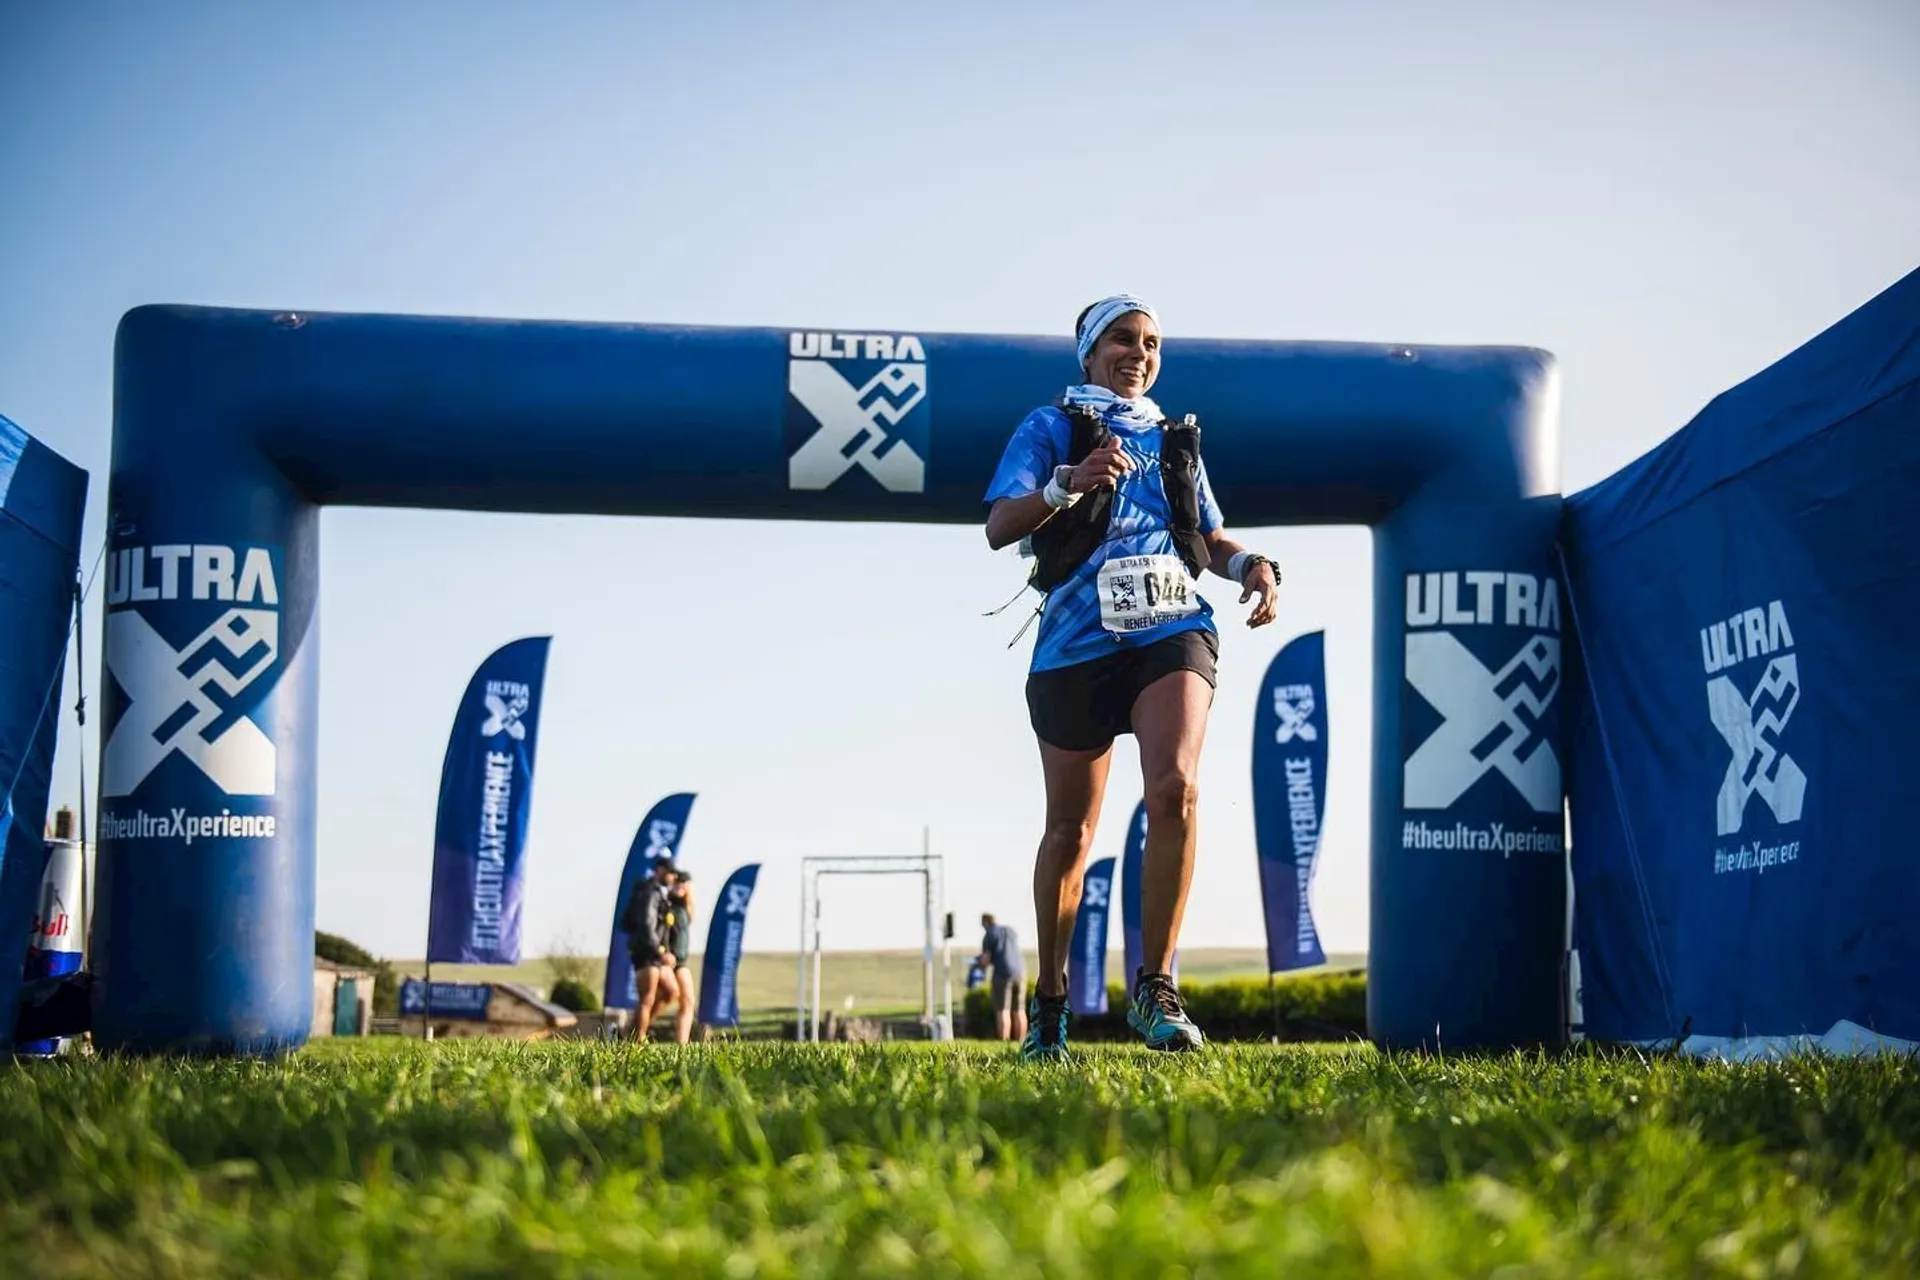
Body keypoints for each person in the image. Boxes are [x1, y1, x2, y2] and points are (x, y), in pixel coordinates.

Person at [983, 294, 1280, 1062]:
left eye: (1151, 344)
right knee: (1070, 832)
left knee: (1174, 788)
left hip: (1171, 628)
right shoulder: (1050, 428)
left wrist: (1249, 564)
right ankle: (1050, 1005)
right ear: (1089, 351)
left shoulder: (1177, 442)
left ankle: (1156, 989)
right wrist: (1066, 484)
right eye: (1123, 339)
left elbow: (1205, 537)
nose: (1139, 355)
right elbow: (998, 528)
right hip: (1075, 645)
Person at [622, 858, 677, 1040]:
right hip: (647, 952)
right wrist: (660, 952)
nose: (673, 877)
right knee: (647, 998)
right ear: (660, 870)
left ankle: (632, 1032)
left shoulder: (660, 893)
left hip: (655, 953)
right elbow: (646, 924)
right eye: (670, 872)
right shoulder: (650, 892)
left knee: (670, 992)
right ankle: (637, 1040)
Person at [648, 870, 699, 1045]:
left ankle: (682, 1044)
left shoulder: (686, 908)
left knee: (688, 1001)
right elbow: (658, 930)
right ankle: (633, 1030)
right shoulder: (666, 904)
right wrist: (663, 952)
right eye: (677, 882)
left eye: (683, 882)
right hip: (666, 959)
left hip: (681, 960)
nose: (680, 885)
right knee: (663, 996)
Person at [974, 913, 1027, 1042]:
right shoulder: (1010, 931)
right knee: (1020, 1009)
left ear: (985, 923)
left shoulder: (989, 935)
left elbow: (985, 960)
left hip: (1003, 973)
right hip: (1020, 972)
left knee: (1003, 1010)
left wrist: (978, 965)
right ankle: (1021, 1040)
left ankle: (1004, 1040)